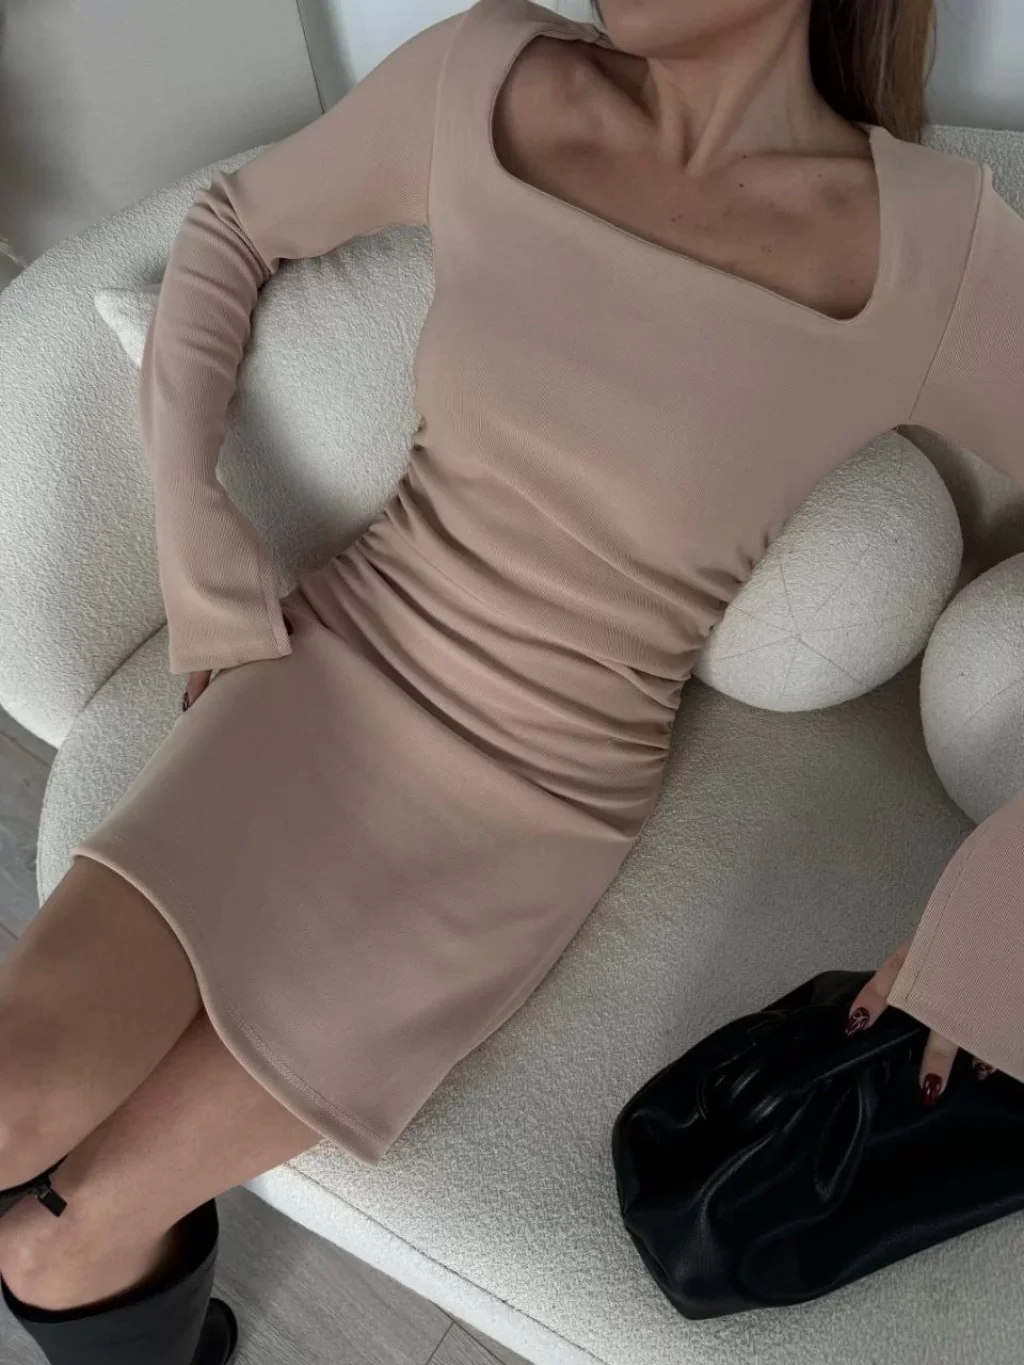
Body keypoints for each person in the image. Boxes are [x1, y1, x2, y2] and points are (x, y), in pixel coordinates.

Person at [1, 0, 1023, 1359]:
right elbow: (231, 229)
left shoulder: (929, 245)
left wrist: (996, 927)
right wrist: (196, 534)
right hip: (324, 676)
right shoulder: (488, 77)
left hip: (524, 812)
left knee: (56, 1239)